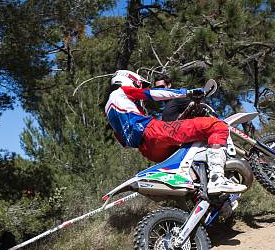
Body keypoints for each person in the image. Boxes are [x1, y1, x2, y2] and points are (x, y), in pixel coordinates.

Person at [103, 70, 247, 194]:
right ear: (130, 81)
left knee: (190, 156)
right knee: (217, 126)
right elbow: (153, 93)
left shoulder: (108, 110)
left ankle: (204, 194)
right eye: (139, 85)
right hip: (152, 132)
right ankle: (217, 179)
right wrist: (188, 92)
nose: (140, 88)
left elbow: (123, 141)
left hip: (148, 150)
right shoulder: (121, 91)